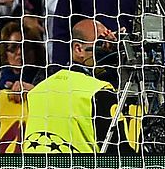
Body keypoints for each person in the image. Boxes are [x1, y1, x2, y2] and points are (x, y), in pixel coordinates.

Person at [22, 17, 132, 153]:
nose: (108, 50)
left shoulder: (39, 88)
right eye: (102, 43)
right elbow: (121, 154)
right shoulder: (99, 91)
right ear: (78, 49)